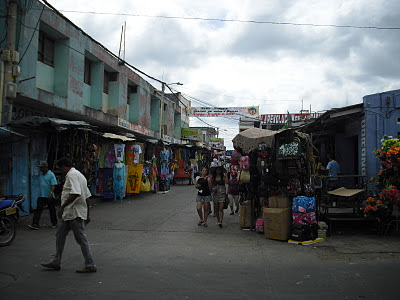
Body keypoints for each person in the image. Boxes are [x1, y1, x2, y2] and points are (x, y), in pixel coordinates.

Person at [40, 157, 96, 273]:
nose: (61, 172)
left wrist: (62, 207)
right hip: (70, 213)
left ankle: (90, 265)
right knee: (60, 235)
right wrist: (88, 214)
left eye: (60, 169)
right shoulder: (79, 175)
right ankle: (56, 261)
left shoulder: (72, 175)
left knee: (81, 239)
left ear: (64, 167)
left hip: (74, 212)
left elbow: (76, 193)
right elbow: (86, 196)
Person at [28, 161, 58, 230]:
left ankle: (54, 223)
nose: (40, 169)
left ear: (45, 167)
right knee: (38, 209)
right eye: (40, 168)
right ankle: (35, 224)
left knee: (52, 210)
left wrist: (51, 193)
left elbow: (53, 185)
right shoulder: (41, 174)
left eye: (41, 167)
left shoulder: (51, 174)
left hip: (48, 195)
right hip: (41, 195)